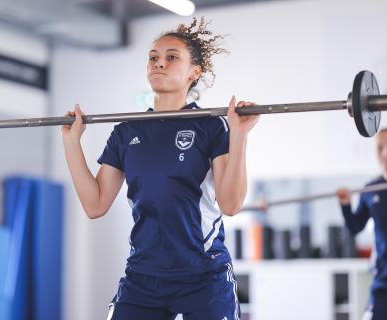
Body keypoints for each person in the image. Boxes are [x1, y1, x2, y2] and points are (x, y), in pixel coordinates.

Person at [62, 17, 259, 320]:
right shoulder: (126, 132)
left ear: (195, 72)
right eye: (153, 58)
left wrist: (240, 134)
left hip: (203, 273)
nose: (159, 64)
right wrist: (72, 143)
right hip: (144, 275)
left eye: (171, 58)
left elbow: (231, 204)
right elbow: (95, 204)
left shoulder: (210, 126)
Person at [336, 128, 387, 320]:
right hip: (385, 283)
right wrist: (346, 206)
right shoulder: (371, 190)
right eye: (380, 148)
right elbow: (355, 227)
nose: (385, 153)